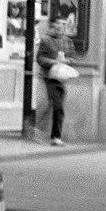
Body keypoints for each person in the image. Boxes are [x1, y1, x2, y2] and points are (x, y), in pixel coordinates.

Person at [35, 13, 75, 145]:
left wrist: (65, 60)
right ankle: (54, 136)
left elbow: (73, 57)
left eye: (63, 24)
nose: (61, 26)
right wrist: (54, 62)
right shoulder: (46, 40)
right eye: (58, 23)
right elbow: (39, 58)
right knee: (57, 106)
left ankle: (46, 132)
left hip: (62, 78)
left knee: (57, 106)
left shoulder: (67, 41)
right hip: (48, 78)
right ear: (52, 25)